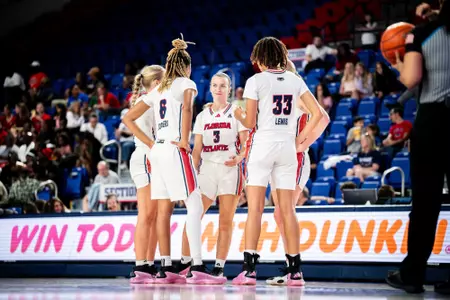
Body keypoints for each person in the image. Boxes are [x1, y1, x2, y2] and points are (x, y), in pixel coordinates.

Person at [231, 37, 325, 286]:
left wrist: (237, 112)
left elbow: (249, 122)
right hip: (287, 146)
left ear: (260, 59)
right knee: (288, 211)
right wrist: (300, 141)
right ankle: (295, 271)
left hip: (263, 146)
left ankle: (249, 270)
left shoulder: (256, 81)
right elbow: (318, 113)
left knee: (256, 210)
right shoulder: (295, 79)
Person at [123, 36, 207, 285]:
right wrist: (184, 139)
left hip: (155, 152)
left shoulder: (158, 89)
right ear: (186, 66)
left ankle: (165, 266)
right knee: (194, 204)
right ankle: (198, 265)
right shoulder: (186, 83)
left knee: (161, 212)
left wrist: (152, 143)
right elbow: (189, 110)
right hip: (172, 148)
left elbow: (127, 119)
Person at [385, 0, 450, 295]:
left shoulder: (419, 34)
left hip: (434, 121)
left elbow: (412, 78)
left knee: (425, 203)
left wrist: (398, 66)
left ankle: (413, 274)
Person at [177, 72, 248, 284]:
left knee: (225, 222)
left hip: (229, 170)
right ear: (210, 88)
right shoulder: (202, 116)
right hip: (206, 170)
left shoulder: (236, 112)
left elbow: (246, 144)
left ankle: (218, 268)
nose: (218, 89)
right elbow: (197, 149)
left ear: (229, 88)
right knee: (194, 216)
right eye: (215, 85)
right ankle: (185, 263)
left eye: (223, 86)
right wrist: (193, 171)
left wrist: (239, 158)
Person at [266, 59, 330, 286]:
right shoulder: (276, 94)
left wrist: (302, 144)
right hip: (278, 158)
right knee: (279, 213)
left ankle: (295, 269)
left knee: (286, 211)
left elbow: (322, 118)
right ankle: (291, 267)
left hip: (295, 158)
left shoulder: (296, 92)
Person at [121, 65, 165, 284]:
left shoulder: (158, 101)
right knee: (146, 214)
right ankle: (140, 265)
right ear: (157, 83)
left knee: (155, 216)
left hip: (156, 159)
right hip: (145, 158)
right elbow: (127, 120)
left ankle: (149, 263)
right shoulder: (144, 102)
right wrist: (150, 144)